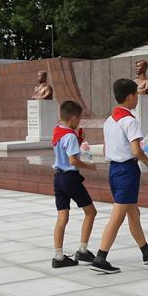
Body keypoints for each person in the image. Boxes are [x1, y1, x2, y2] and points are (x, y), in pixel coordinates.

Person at [94, 79, 148, 274]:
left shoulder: (109, 121)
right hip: (127, 171)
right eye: (136, 95)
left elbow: (106, 148)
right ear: (130, 96)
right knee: (118, 216)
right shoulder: (130, 121)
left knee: (133, 212)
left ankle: (146, 251)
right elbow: (136, 150)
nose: (137, 99)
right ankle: (100, 257)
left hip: (114, 170)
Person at [50, 100, 97, 268]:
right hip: (70, 178)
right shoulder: (70, 136)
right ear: (73, 118)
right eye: (79, 119)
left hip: (58, 178)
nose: (79, 122)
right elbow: (73, 160)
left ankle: (58, 256)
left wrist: (78, 138)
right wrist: (89, 167)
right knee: (91, 212)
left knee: (62, 217)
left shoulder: (58, 131)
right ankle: (83, 250)